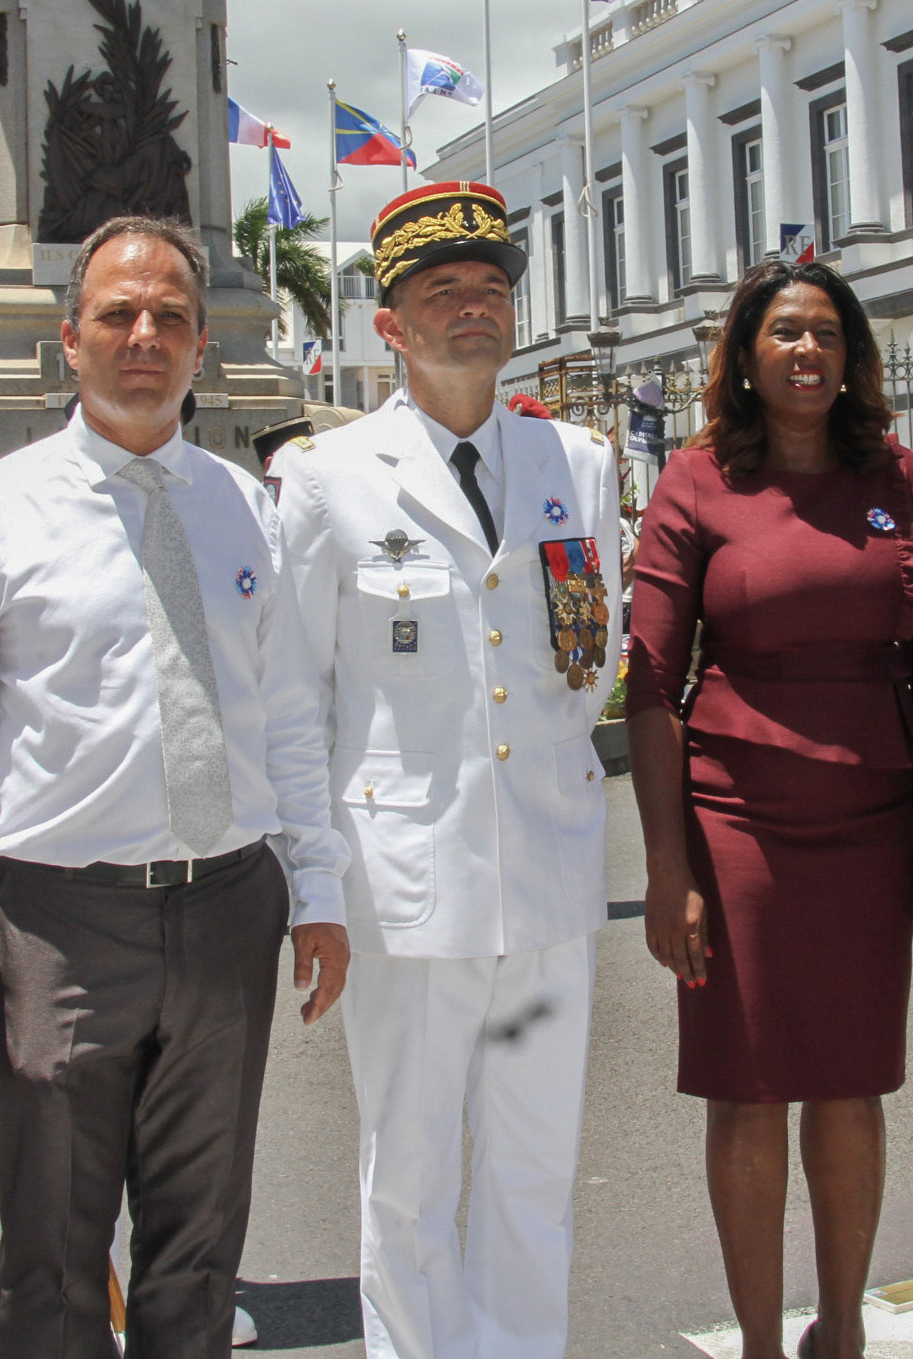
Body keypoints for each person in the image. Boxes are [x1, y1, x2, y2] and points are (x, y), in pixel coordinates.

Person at [0, 215, 351, 1357]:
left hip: (225, 901)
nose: (145, 335)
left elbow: (289, 716)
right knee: (52, 1250)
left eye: (171, 318)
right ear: (69, 340)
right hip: (61, 919)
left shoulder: (249, 508)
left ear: (199, 346)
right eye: (118, 314)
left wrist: (320, 891)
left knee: (198, 1247)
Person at [268, 182, 621, 1359]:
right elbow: (294, 699)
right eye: (440, 292)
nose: (473, 308)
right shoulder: (326, 478)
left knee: (533, 1170)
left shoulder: (578, 459)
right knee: (408, 1177)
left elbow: (593, 654)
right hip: (406, 891)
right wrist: (313, 886)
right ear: (391, 325)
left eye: (489, 288)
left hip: (547, 881)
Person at [627, 260, 913, 1359]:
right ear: (744, 353)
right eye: (783, 333)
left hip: (871, 821)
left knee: (851, 1078)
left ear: (852, 355)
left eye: (825, 333)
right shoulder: (695, 480)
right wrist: (667, 871)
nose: (806, 352)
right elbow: (649, 685)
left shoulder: (894, 472)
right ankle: (762, 1345)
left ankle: (843, 1330)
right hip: (736, 821)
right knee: (748, 1083)